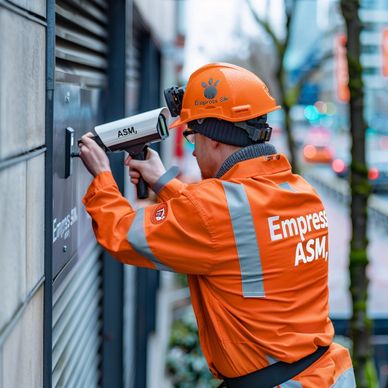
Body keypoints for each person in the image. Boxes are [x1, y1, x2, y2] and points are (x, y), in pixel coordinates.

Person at [79, 63, 355, 387]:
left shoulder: (216, 209)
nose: (194, 153)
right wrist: (162, 181)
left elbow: (123, 234)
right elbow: (228, 228)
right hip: (324, 374)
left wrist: (101, 176)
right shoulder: (299, 192)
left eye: (193, 139)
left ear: (215, 140)